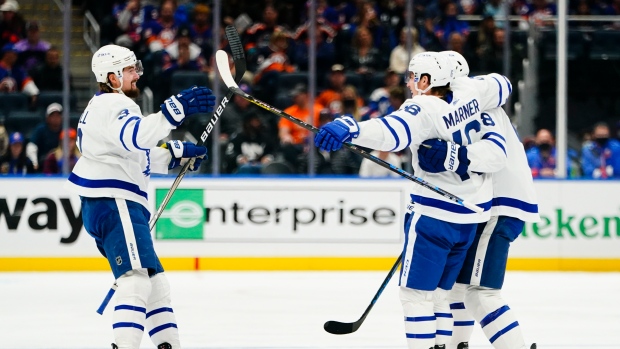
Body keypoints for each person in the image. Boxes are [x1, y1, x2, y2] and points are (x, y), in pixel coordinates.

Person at [314, 51, 512, 349]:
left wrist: (352, 128)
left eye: (413, 76)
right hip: (469, 218)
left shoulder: (423, 107)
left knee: (415, 296)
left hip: (434, 217)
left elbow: (393, 132)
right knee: (441, 295)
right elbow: (503, 86)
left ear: (427, 80)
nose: (409, 82)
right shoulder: (472, 95)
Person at [64, 44, 215, 349]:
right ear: (112, 76)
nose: (137, 75)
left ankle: (167, 344)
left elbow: (130, 154)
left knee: (155, 283)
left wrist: (173, 156)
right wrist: (174, 111)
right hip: (116, 202)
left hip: (108, 203)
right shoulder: (113, 105)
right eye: (130, 70)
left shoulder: (102, 107)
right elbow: (137, 138)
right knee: (134, 280)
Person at [417, 51, 538, 349]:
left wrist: (450, 157)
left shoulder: (475, 108)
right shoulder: (461, 106)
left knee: (480, 292)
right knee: (459, 288)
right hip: (490, 205)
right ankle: (459, 345)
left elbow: (491, 157)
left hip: (497, 205)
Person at [26, 102, 63, 170]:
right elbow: (32, 146)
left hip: (61, 163)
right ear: (47, 118)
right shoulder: (41, 129)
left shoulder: (65, 130)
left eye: (58, 115)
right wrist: (35, 162)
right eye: (53, 116)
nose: (55, 118)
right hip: (42, 164)